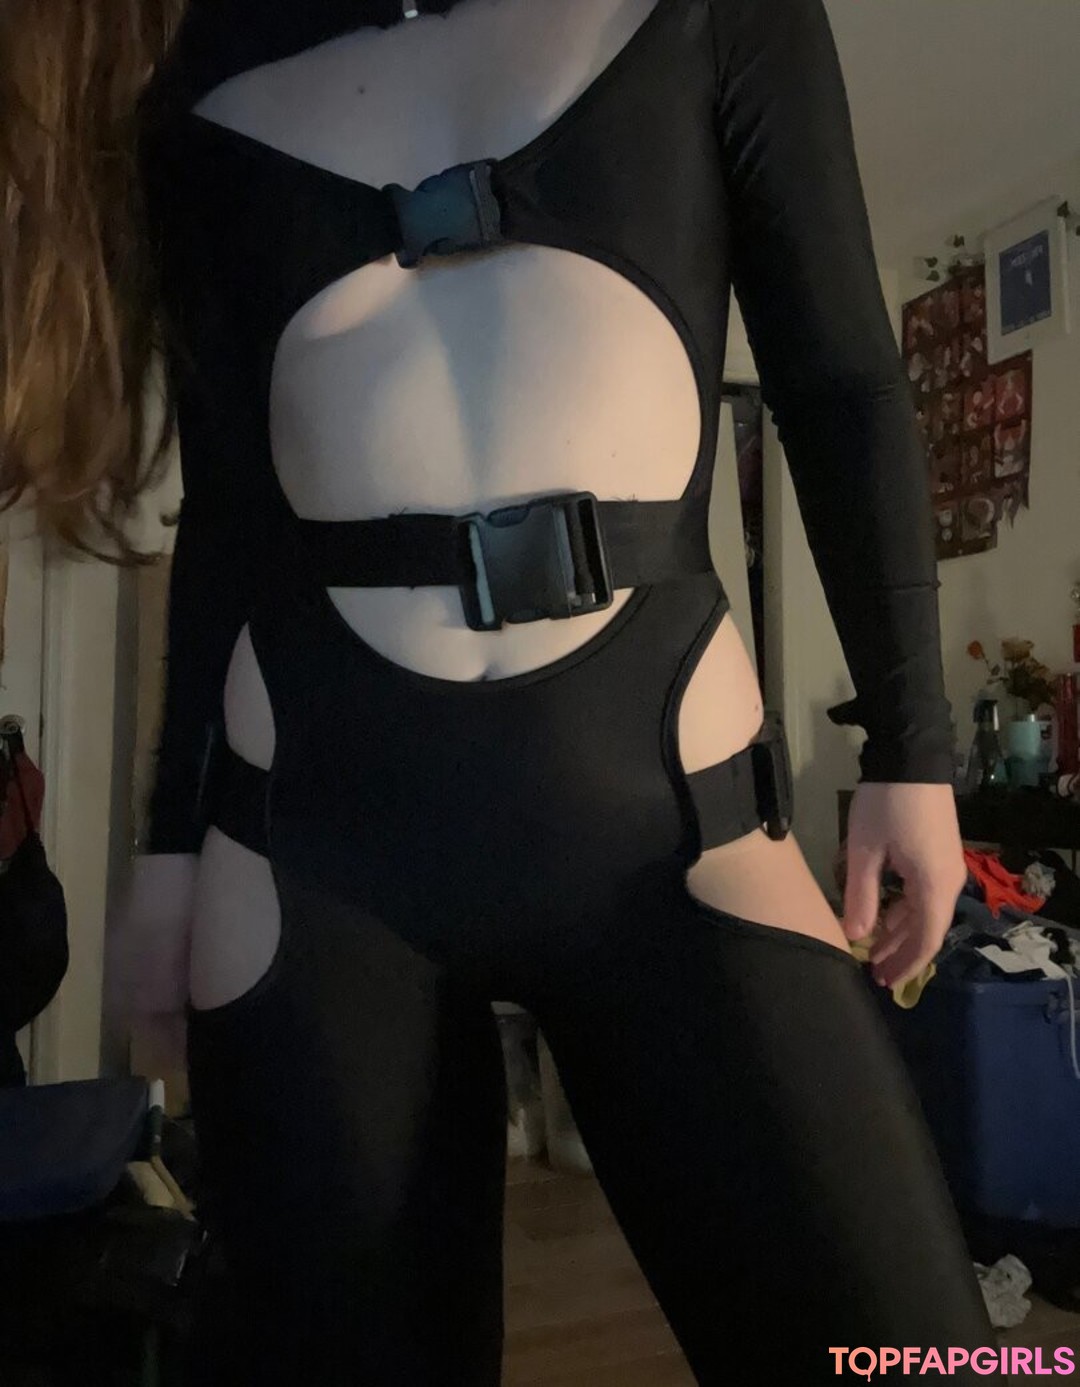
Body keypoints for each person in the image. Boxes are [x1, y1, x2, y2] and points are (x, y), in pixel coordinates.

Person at [2, 0, 1000, 1381]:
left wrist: (914, 749)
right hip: (308, 863)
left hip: (676, 834)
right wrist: (170, 848)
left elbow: (839, 376)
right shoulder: (190, 71)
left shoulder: (717, 10)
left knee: (921, 1356)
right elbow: (232, 503)